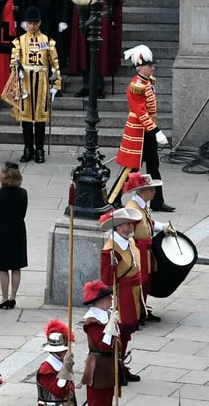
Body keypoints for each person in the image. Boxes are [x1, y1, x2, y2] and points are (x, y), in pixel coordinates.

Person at [108, 45, 176, 212]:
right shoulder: (136, 85)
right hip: (138, 132)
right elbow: (140, 112)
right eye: (150, 65)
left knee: (154, 167)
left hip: (147, 131)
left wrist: (153, 131)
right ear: (141, 66)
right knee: (131, 169)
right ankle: (113, 198)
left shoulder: (146, 82)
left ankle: (157, 201)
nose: (153, 67)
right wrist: (156, 131)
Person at [122, 172, 176, 322]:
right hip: (138, 249)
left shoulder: (141, 205)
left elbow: (147, 223)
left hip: (145, 248)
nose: (154, 191)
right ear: (142, 191)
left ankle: (142, 309)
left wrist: (163, 227)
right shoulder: (133, 208)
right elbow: (126, 232)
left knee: (146, 281)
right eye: (151, 189)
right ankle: (136, 313)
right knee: (140, 281)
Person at [10, 7, 61, 164]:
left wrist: (56, 84)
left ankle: (39, 149)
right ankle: (27, 148)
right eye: (29, 23)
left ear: (40, 23)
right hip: (25, 82)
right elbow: (13, 61)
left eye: (35, 23)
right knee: (25, 118)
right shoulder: (19, 41)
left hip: (42, 82)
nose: (32, 26)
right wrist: (16, 70)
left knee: (40, 118)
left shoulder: (47, 41)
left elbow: (55, 64)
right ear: (26, 24)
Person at [98, 208, 143, 384]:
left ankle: (121, 363)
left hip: (131, 292)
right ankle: (114, 367)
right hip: (120, 295)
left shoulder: (128, 241)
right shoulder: (110, 250)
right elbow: (106, 280)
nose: (131, 226)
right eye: (126, 224)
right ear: (118, 228)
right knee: (118, 332)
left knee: (126, 333)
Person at [0, 162, 28, 309]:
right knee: (16, 266)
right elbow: (23, 212)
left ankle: (4, 298)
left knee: (3, 267)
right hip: (18, 231)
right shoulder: (23, 193)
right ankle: (13, 297)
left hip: (1, 232)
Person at [81, 280, 117, 406]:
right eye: (108, 297)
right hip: (98, 369)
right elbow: (103, 345)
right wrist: (111, 327)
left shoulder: (107, 314)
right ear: (99, 302)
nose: (111, 299)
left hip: (108, 366)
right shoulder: (92, 321)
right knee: (98, 402)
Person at [36, 319, 76, 406]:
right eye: (64, 350)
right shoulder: (46, 370)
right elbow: (59, 392)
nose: (68, 351)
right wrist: (66, 368)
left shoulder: (63, 363)